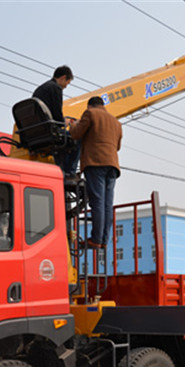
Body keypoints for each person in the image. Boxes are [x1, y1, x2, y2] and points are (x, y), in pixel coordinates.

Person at [69, 96, 122, 249]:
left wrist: (73, 125)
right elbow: (117, 146)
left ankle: (96, 239)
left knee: (97, 202)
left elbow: (76, 134)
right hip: (112, 165)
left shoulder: (90, 114)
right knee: (107, 204)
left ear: (89, 106)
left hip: (95, 162)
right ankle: (104, 241)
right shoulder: (116, 122)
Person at [32, 65, 80, 176]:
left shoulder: (41, 89)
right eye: (67, 83)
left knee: (62, 139)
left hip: (37, 132)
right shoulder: (55, 88)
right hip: (48, 131)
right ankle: (70, 172)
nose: (66, 87)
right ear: (63, 78)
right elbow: (57, 115)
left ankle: (60, 168)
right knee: (76, 138)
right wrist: (65, 122)